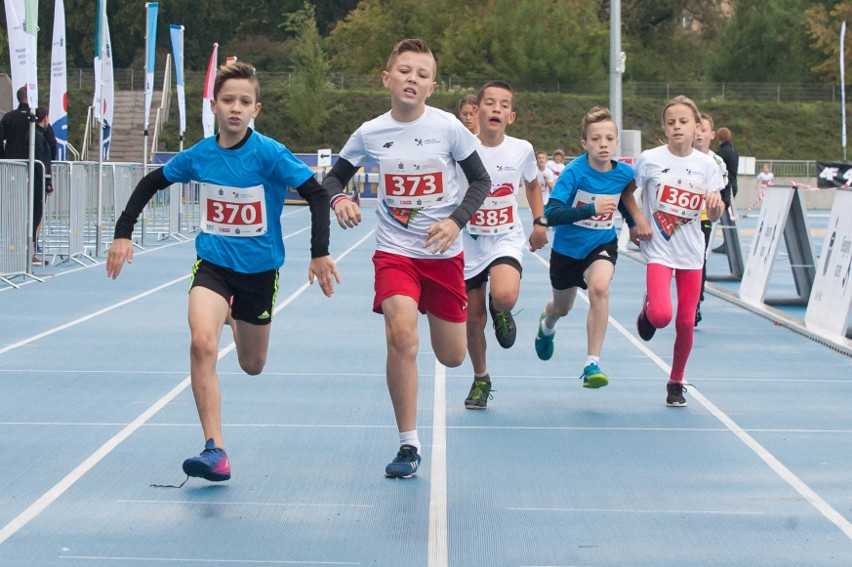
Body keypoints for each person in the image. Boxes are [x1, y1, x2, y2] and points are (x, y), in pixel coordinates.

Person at [106, 61, 339, 483]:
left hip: (259, 273)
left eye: (244, 102)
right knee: (200, 343)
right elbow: (150, 183)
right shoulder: (200, 155)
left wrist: (319, 253)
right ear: (214, 105)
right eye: (228, 100)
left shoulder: (268, 153)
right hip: (213, 265)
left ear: (256, 109)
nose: (236, 108)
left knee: (252, 364)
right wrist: (124, 233)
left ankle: (234, 315)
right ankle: (215, 449)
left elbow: (317, 194)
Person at [322, 39, 490, 478]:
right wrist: (340, 197)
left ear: (431, 86)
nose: (411, 78)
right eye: (404, 71)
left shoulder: (450, 128)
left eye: (421, 74)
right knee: (401, 336)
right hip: (395, 252)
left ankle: (453, 351)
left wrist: (456, 222)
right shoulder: (370, 132)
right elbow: (333, 178)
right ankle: (408, 444)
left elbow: (481, 182)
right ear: (387, 78)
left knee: (452, 356)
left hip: (444, 255)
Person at [534, 106, 647, 388]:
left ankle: (591, 363)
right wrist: (590, 209)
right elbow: (552, 214)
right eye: (596, 139)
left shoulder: (623, 173)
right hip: (567, 251)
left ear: (616, 141)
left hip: (601, 244)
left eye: (609, 138)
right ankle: (546, 327)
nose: (603, 144)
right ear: (585, 143)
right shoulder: (573, 173)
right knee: (562, 307)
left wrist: (634, 222)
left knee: (600, 288)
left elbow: (623, 197)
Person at [627, 95, 725, 407]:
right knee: (661, 316)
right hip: (659, 249)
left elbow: (717, 209)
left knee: (685, 322)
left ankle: (676, 381)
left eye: (683, 122)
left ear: (697, 128)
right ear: (664, 129)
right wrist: (637, 218)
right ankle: (648, 310)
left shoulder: (708, 166)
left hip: (692, 254)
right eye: (671, 123)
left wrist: (716, 206)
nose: (677, 127)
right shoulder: (650, 159)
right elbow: (626, 193)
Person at [460, 80, 548, 410]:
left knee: (505, 294)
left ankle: (501, 308)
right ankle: (481, 378)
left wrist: (539, 222)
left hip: (505, 236)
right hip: (469, 241)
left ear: (511, 116)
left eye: (504, 105)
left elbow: (532, 185)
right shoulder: (461, 148)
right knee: (472, 320)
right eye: (490, 103)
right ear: (477, 111)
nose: (496, 108)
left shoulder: (521, 149)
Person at [693, 112, 728, 326]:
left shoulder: (717, 163)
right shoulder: (679, 157)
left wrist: (719, 207)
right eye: (696, 129)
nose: (698, 134)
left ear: (712, 135)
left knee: (698, 259)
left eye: (703, 130)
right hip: (677, 217)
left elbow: (721, 194)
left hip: (702, 217)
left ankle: (696, 302)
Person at [32, 107, 54, 265]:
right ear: (45, 118)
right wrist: (47, 183)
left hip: (38, 179)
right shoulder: (38, 137)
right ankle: (32, 250)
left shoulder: (37, 134)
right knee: (35, 216)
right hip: (38, 180)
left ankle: (32, 249)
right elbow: (43, 161)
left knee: (35, 216)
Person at [712, 126, 738, 253]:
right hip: (734, 183)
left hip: (726, 185)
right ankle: (728, 243)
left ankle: (727, 244)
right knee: (728, 216)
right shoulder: (733, 150)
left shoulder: (721, 153)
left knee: (723, 214)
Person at [0, 86, 32, 159]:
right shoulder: (36, 115)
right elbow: (50, 140)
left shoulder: (8, 117)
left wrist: (3, 156)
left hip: (12, 161)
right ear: (29, 97)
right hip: (33, 160)